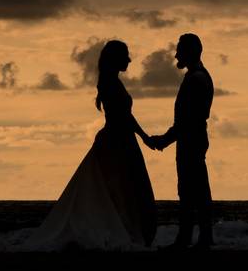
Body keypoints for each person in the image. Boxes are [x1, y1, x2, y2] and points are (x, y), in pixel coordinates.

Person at [30, 40, 157, 250]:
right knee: (121, 190)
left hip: (121, 139)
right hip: (117, 142)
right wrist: (144, 136)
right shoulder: (110, 82)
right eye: (125, 56)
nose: (129, 59)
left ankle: (131, 231)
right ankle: (126, 232)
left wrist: (143, 137)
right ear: (115, 58)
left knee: (125, 190)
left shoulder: (112, 81)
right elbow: (123, 116)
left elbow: (126, 116)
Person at [149, 33, 214, 251]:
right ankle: (198, 237)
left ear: (190, 52)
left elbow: (188, 120)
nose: (176, 54)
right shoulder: (199, 76)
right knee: (194, 190)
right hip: (192, 139)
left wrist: (165, 140)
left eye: (180, 50)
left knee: (190, 191)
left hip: (191, 141)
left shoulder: (196, 79)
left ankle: (190, 239)